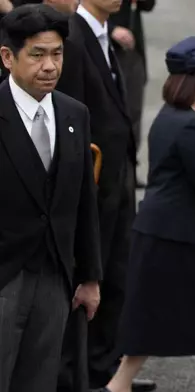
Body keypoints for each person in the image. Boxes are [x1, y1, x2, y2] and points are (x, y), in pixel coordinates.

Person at [98, 36, 195, 392]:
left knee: (149, 312)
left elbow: (188, 169)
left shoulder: (171, 118)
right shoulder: (190, 124)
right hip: (176, 235)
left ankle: (119, 384)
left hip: (165, 232)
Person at [0, 4, 101, 391]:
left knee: (41, 379)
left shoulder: (74, 114)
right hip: (5, 273)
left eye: (57, 54)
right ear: (8, 57)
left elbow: (84, 202)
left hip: (55, 276)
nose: (50, 66)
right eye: (37, 55)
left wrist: (90, 276)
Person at [53, 0, 140, 389]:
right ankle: (79, 375)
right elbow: (69, 113)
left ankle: (108, 372)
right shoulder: (72, 37)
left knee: (117, 272)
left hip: (119, 177)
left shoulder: (105, 35)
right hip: (93, 178)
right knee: (87, 276)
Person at [109, 0, 156, 186]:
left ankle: (129, 168)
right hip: (106, 45)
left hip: (131, 49)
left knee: (133, 112)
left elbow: (147, 5)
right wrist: (110, 29)